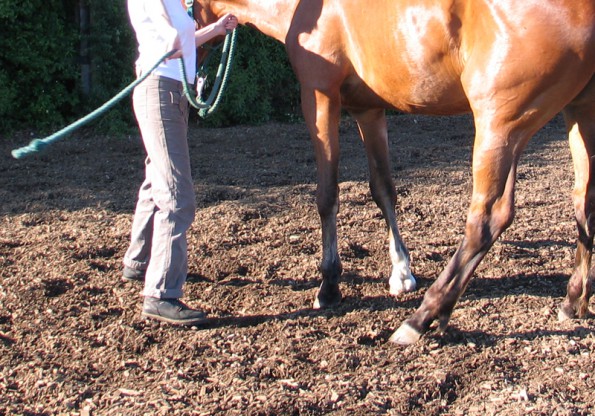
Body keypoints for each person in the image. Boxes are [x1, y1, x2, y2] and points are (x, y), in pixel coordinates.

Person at [123, 0, 238, 325]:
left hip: (171, 93)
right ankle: (161, 294)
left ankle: (139, 262)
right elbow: (171, 45)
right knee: (177, 198)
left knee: (155, 180)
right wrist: (204, 31)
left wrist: (215, 29)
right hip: (160, 91)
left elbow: (181, 39)